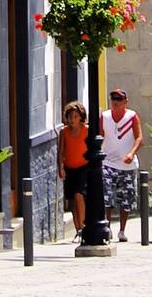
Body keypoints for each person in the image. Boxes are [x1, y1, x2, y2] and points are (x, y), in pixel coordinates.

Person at [98, 89, 144, 243]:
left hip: (128, 165)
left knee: (126, 199)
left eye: (119, 99)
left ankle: (122, 230)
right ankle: (107, 228)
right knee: (107, 197)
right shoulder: (104, 117)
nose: (115, 101)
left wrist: (131, 153)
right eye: (113, 98)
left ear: (125, 101)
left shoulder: (132, 117)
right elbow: (100, 136)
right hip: (108, 163)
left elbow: (139, 138)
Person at [56, 101, 89, 242]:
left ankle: (83, 227)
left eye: (75, 117)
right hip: (70, 168)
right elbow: (61, 151)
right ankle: (78, 230)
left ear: (81, 117)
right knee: (73, 201)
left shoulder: (87, 130)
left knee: (79, 195)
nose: (72, 120)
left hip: (83, 167)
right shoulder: (64, 132)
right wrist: (60, 168)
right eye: (70, 117)